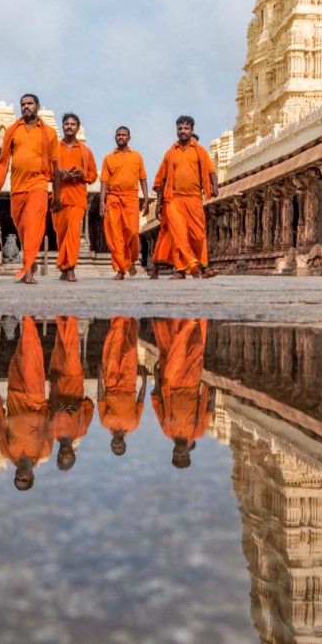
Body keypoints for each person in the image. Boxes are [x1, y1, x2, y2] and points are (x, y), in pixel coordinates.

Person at [0, 94, 59, 284]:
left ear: (37, 106)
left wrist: (58, 194)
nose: (26, 107)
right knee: (21, 227)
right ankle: (31, 260)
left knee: (33, 225)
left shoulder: (49, 133)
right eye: (23, 104)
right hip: (17, 187)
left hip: (39, 184)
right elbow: (3, 160)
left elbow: (55, 165)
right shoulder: (13, 130)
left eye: (30, 103)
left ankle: (28, 270)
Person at [0, 316, 53, 489]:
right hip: (35, 397)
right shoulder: (44, 451)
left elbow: (0, 424)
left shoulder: (6, 451)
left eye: (17, 479)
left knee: (19, 357)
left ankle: (27, 323)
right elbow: (50, 422)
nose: (20, 476)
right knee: (32, 356)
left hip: (14, 394)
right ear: (32, 476)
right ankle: (28, 319)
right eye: (24, 479)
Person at [153, 116, 217, 280]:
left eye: (186, 129)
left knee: (198, 234)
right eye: (180, 128)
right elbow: (161, 180)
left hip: (194, 198)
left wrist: (215, 186)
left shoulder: (200, 151)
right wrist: (158, 203)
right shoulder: (170, 152)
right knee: (178, 235)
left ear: (192, 130)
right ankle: (181, 270)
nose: (183, 131)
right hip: (173, 200)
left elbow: (211, 171)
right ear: (177, 130)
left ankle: (201, 265)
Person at [151, 317, 212, 468]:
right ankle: (197, 323)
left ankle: (187, 323)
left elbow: (158, 403)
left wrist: (157, 377)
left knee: (176, 353)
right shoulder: (198, 432)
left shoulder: (167, 430)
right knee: (195, 348)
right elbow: (208, 410)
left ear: (172, 452)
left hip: (171, 384)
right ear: (188, 453)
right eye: (182, 455)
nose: (179, 452)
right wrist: (212, 389)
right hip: (192, 382)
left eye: (176, 454)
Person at [52, 113, 97, 283]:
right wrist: (58, 173)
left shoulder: (86, 152)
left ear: (78, 127)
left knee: (73, 233)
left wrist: (82, 174)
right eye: (66, 124)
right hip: (58, 198)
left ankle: (70, 267)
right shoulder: (54, 148)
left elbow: (93, 175)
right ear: (62, 126)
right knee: (62, 235)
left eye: (73, 124)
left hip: (78, 198)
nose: (69, 127)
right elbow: (46, 170)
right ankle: (64, 268)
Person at [99, 127, 149, 280]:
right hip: (113, 198)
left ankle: (131, 259)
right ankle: (120, 269)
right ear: (115, 137)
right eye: (118, 135)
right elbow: (104, 183)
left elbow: (143, 178)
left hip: (131, 199)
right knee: (116, 235)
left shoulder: (137, 156)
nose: (121, 137)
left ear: (129, 137)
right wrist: (102, 202)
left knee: (133, 233)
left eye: (124, 135)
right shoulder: (108, 158)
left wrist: (146, 199)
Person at [49, 315, 94, 469]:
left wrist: (58, 406)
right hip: (74, 381)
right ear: (74, 454)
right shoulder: (81, 430)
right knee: (72, 348)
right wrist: (76, 405)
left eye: (62, 457)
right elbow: (89, 405)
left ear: (58, 455)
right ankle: (70, 318)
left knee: (60, 345)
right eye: (68, 457)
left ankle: (61, 317)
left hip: (57, 381)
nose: (65, 454)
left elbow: (46, 408)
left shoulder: (51, 432)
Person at [98, 315, 146, 456]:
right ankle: (130, 319)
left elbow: (101, 399)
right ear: (124, 444)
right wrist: (143, 381)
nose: (117, 445)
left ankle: (118, 318)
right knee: (130, 349)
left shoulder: (105, 422)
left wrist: (100, 377)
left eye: (114, 447)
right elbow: (141, 401)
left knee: (115, 346)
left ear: (111, 444)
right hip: (129, 382)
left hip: (111, 382)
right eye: (120, 447)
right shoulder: (133, 425)